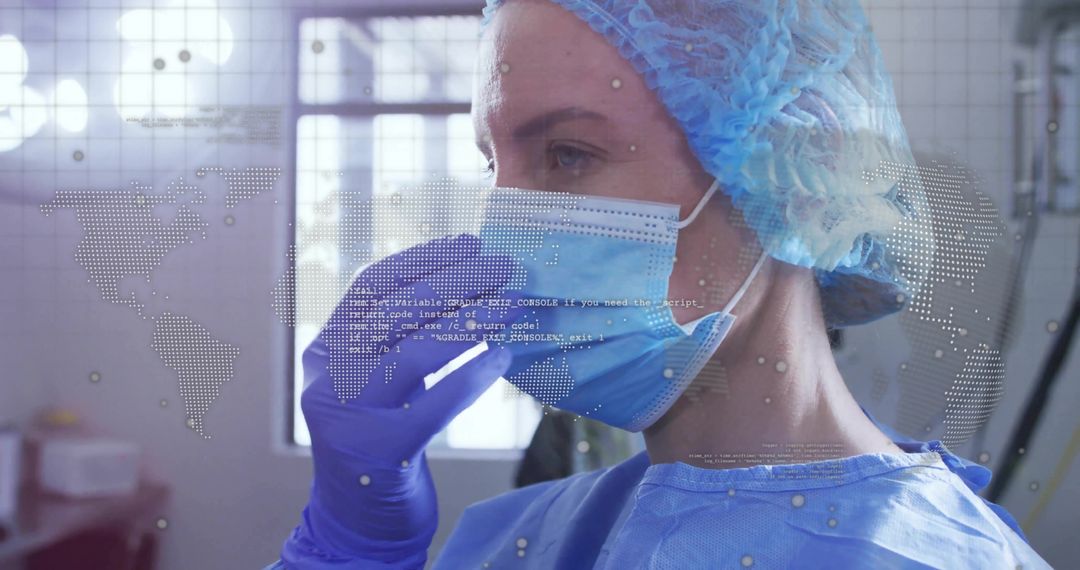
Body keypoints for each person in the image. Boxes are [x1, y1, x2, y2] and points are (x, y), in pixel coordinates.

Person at [268, 0, 1052, 568]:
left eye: (568, 155)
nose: (505, 229)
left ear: (791, 180)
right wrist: (347, 546)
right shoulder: (532, 536)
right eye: (492, 165)